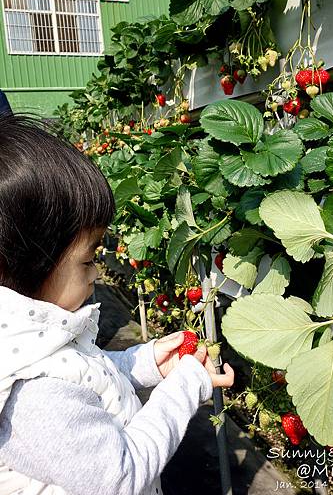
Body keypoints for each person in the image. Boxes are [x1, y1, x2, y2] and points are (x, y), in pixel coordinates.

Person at [0, 114, 234, 495]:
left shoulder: (32, 340)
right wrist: (186, 384)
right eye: (89, 260)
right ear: (25, 261)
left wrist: (145, 362)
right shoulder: (32, 395)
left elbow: (84, 375)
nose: (96, 273)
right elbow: (121, 476)